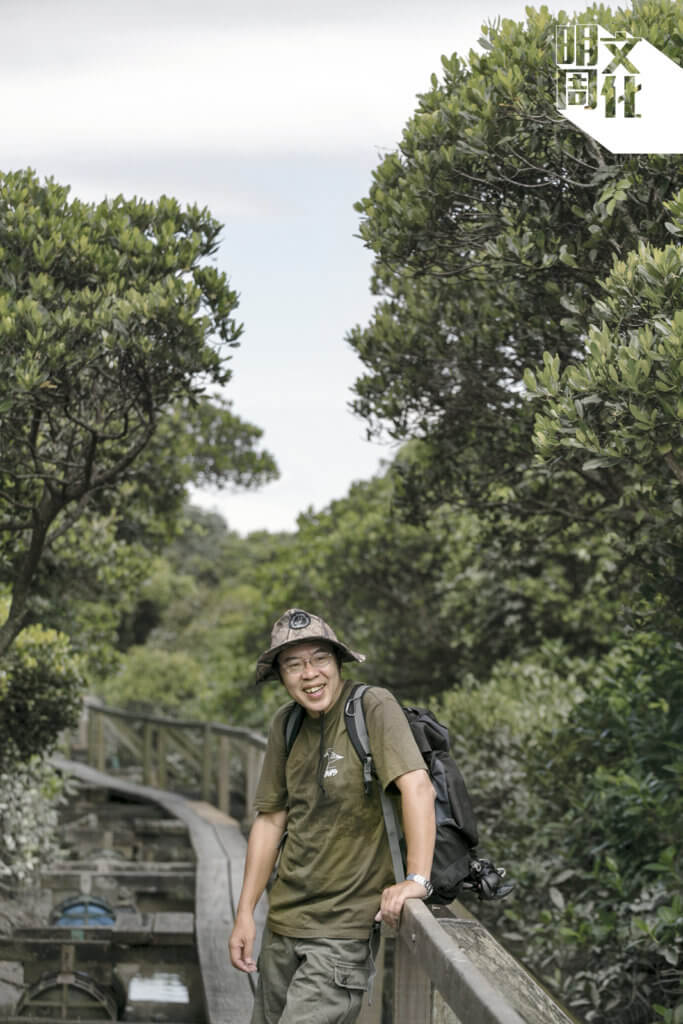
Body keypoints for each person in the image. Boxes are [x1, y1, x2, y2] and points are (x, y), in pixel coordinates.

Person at [229, 608, 436, 1024]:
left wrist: (416, 880)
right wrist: (244, 915)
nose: (309, 674)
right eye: (294, 664)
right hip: (283, 925)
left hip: (342, 932)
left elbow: (417, 787)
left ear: (338, 662)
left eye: (320, 659)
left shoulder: (372, 707)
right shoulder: (285, 724)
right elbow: (270, 821)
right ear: (280, 675)